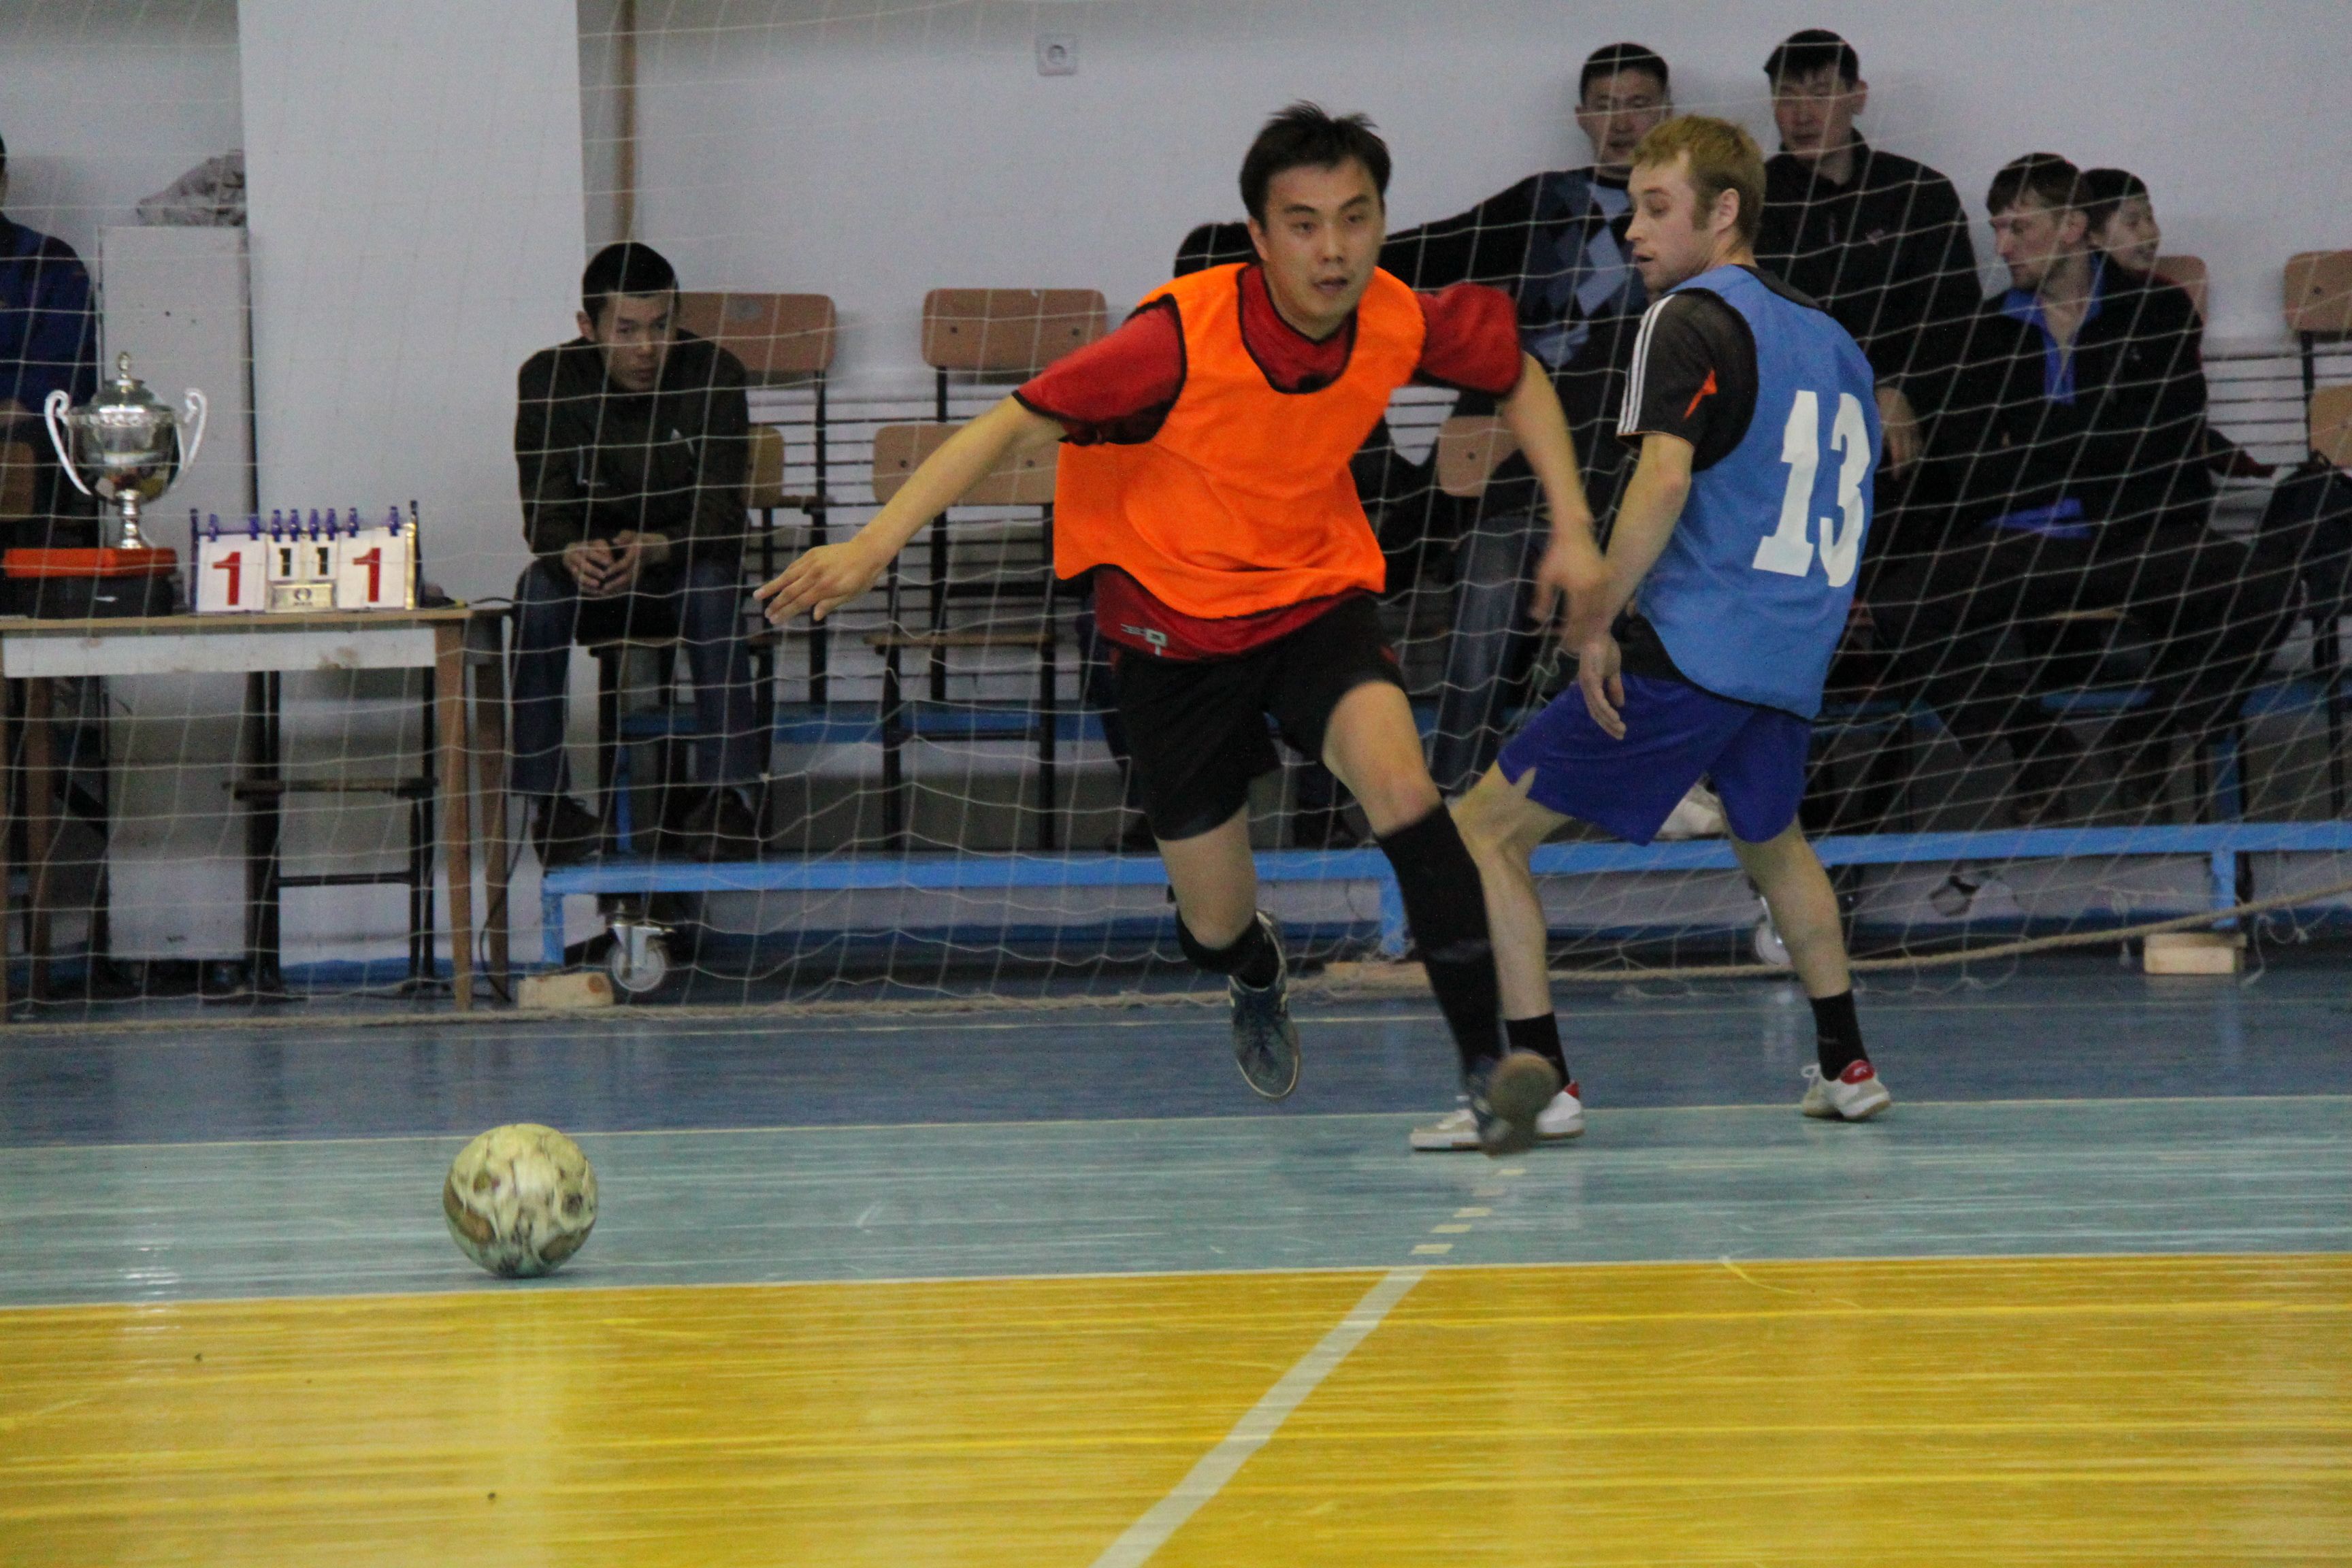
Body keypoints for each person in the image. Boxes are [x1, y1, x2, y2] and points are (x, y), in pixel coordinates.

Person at [762, 104, 1597, 1154]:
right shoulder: (1174, 340)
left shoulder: (1398, 316)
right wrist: (873, 545)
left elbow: (1519, 376)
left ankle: (1487, 1075)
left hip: (1312, 604)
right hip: (1173, 637)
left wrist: (1575, 529)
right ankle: (1253, 969)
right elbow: (1008, 425)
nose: (1333, 249)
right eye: (1303, 224)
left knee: (1407, 794)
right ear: (1260, 237)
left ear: (1382, 222)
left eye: (1355, 218)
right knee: (1213, 924)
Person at [1426, 114, 1893, 1152]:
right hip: (1790, 648)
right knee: (1775, 842)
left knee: (1481, 833)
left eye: (1655, 208)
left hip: (1698, 644)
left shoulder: (1685, 316)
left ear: (1725, 212)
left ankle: (1541, 1081)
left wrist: (1596, 616)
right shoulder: (1834, 339)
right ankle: (1848, 1066)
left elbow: (1665, 478)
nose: (1633, 232)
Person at [1872, 155, 2296, 821]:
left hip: (2135, 535)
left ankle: (2148, 733)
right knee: (1899, 607)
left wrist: (2035, 441)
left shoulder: (2156, 311)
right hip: (2019, 544)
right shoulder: (1978, 333)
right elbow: (1975, 469)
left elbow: (2169, 444)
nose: (2003, 247)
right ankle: (2034, 739)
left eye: (2019, 228)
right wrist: (2099, 436)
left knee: (2268, 590)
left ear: (2072, 226)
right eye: (1998, 229)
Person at [1381, 42, 1673, 790]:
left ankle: (1634, 780)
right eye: (1605, 105)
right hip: (1527, 469)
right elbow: (1437, 249)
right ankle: (1454, 791)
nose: (1622, 121)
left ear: (1667, 112)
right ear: (1580, 116)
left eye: (1638, 104)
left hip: (1644, 468)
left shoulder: (1688, 214)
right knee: (1488, 574)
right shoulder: (1546, 199)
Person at [512, 242, 764, 865]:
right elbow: (542, 510)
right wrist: (570, 550)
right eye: (626, 330)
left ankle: (728, 800)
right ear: (588, 326)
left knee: (716, 586)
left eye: (660, 326)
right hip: (594, 573)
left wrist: (660, 547)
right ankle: (551, 808)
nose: (647, 348)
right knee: (535, 592)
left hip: (680, 566)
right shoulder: (547, 378)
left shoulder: (716, 372)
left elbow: (724, 513)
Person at [1754, 28, 1978, 561]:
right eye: (1787, 96)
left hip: (1907, 424)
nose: (1802, 114)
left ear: (1858, 97)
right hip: (1793, 425)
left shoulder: (1918, 193)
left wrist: (1901, 389)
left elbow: (1952, 318)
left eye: (1821, 93)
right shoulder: (1751, 201)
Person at [2078, 166, 2272, 481]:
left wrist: (2212, 447)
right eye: (2132, 222)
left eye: (2150, 218)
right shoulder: (2064, 305)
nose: (2150, 234)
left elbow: (2182, 407)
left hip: (2164, 476)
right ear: (2090, 235)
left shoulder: (2166, 301)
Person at [0, 131, 99, 548]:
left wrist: (16, 402)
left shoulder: (47, 262)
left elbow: (70, 373)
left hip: (20, 439)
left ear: (3, 181)